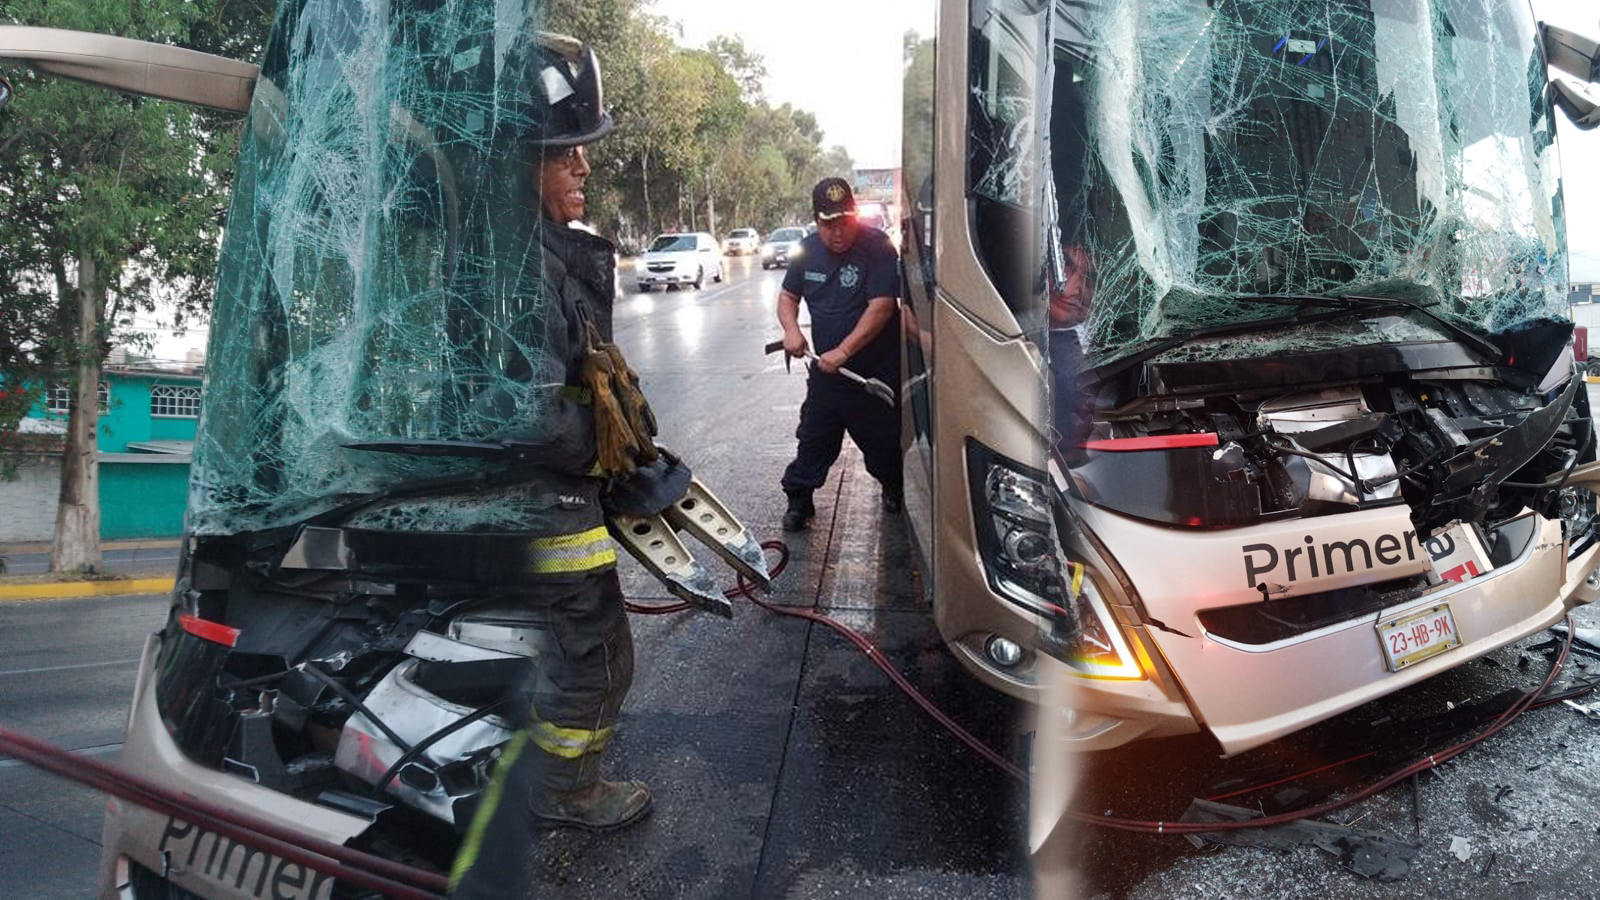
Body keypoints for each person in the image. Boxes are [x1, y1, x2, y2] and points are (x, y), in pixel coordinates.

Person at [451, 34, 649, 897]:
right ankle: (568, 789)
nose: (584, 167)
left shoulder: (524, 251)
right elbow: (525, 409)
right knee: (597, 653)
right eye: (566, 151)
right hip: (547, 505)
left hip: (548, 495)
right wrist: (598, 456)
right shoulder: (518, 271)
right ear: (517, 163)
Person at [777, 177, 903, 531]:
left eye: (844, 221)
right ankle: (799, 498)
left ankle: (894, 486)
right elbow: (788, 297)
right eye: (828, 223)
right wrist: (792, 330)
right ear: (816, 221)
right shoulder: (806, 250)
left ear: (855, 214)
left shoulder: (877, 246)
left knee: (883, 445)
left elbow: (881, 307)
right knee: (813, 439)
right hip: (828, 375)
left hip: (871, 376)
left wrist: (844, 350)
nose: (837, 232)